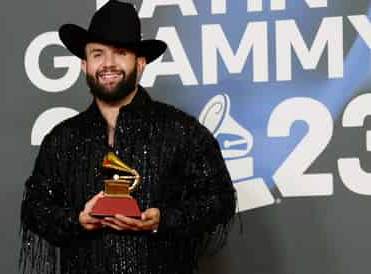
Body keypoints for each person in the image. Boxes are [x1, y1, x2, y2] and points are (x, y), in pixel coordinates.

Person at [20, 1, 236, 274]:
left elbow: (220, 199)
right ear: (85, 65)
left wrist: (163, 219)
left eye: (120, 53)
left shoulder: (183, 131)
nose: (108, 64)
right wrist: (77, 219)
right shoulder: (62, 138)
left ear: (141, 63)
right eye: (98, 54)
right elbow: (34, 208)